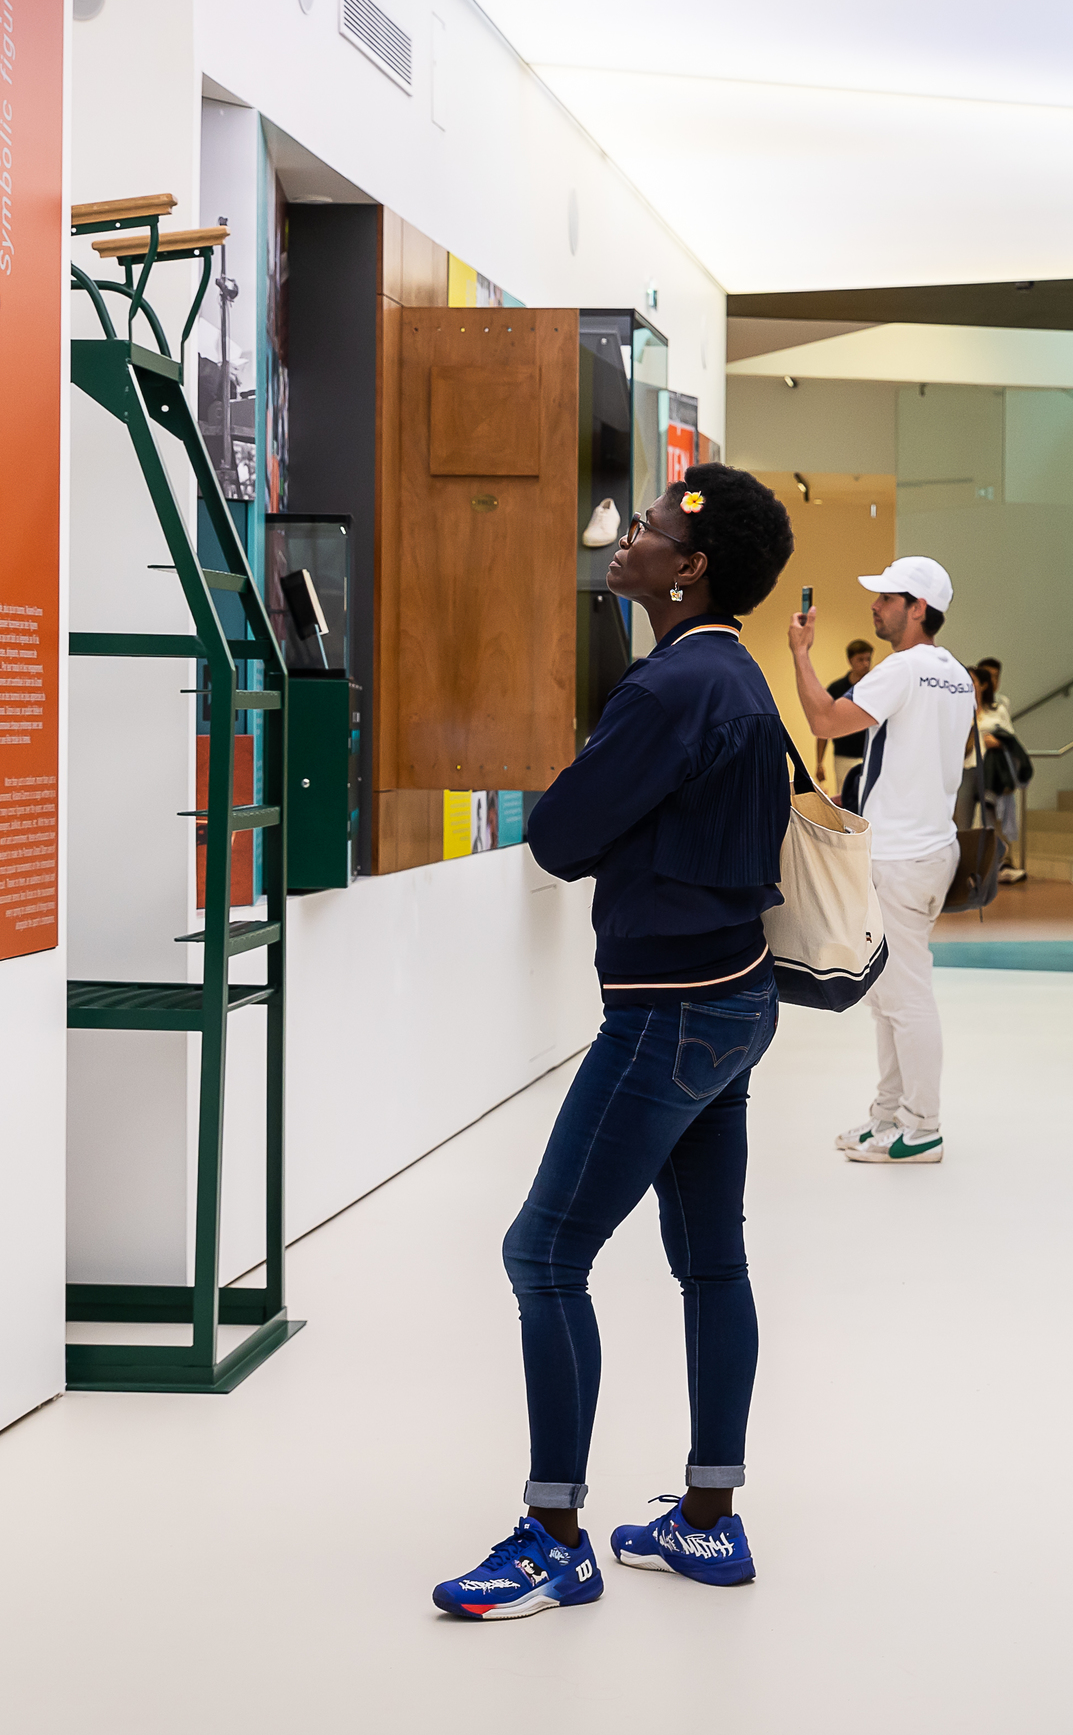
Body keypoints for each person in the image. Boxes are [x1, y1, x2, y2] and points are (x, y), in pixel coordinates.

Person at [431, 465, 796, 1621]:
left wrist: (595, 772)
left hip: (667, 1011)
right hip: (737, 1001)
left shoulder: (669, 685)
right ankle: (707, 1520)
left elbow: (559, 833)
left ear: (691, 566)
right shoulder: (736, 675)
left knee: (542, 1255)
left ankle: (552, 1536)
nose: (624, 535)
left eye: (646, 527)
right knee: (712, 1262)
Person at [787, 555, 976, 1164]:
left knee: (905, 994)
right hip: (929, 849)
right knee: (890, 994)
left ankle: (924, 1129)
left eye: (887, 597)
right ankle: (887, 1117)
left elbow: (823, 718)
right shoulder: (957, 676)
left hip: (899, 857)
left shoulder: (906, 669)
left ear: (917, 608)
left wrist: (800, 653)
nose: (875, 606)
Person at [970, 657, 1025, 884]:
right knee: (970, 822)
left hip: (991, 772)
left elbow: (1010, 740)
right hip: (968, 770)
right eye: (985, 678)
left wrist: (994, 741)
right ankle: (973, 868)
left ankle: (998, 865)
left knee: (994, 820)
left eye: (994, 677)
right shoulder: (964, 707)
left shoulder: (999, 707)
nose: (989, 683)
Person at [814, 637, 875, 810]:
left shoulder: (876, 687)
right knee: (846, 802)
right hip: (843, 756)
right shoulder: (836, 689)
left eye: (868, 659)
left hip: (870, 753)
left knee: (871, 800)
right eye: (860, 660)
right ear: (850, 660)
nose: (865, 664)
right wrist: (819, 762)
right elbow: (823, 728)